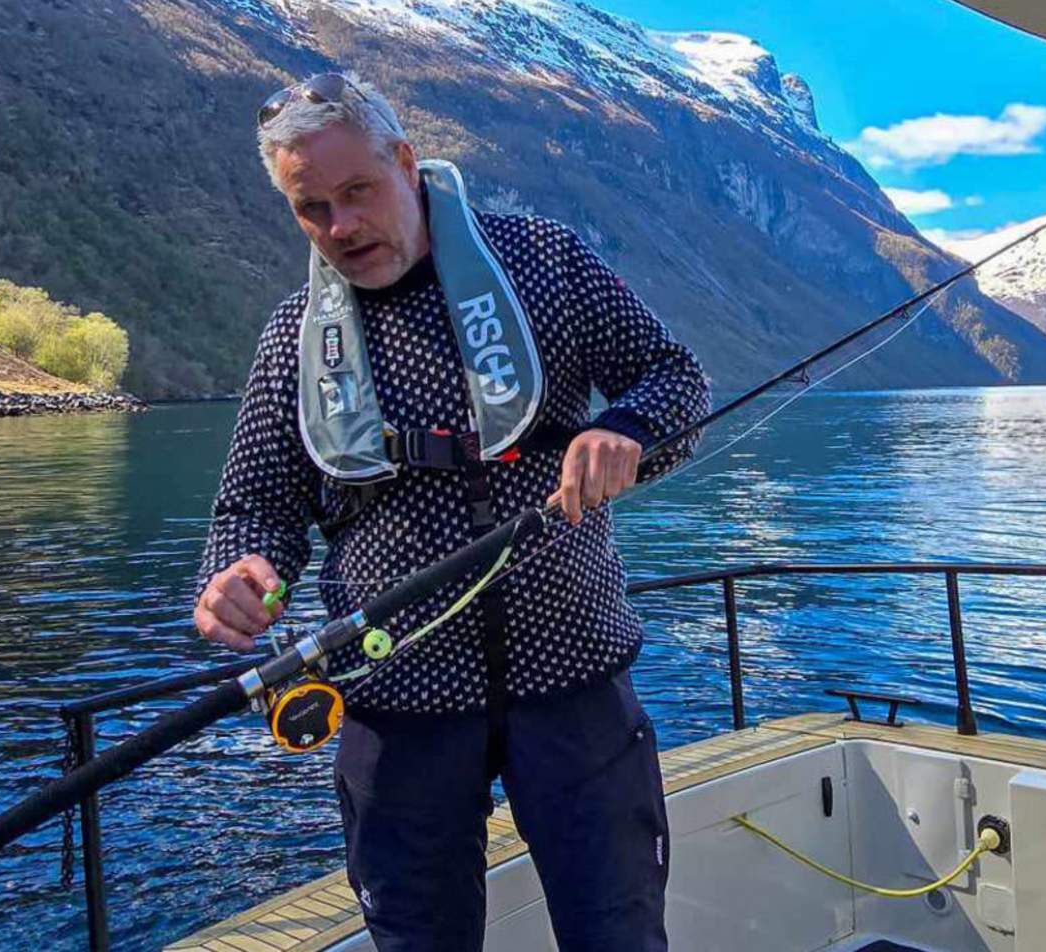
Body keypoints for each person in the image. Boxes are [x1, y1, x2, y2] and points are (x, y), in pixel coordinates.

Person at [192, 71, 708, 951]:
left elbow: (676, 380)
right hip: (397, 703)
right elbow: (253, 509)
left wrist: (625, 429)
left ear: (406, 161)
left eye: (357, 191)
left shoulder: (545, 261)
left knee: (619, 934)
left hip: (573, 679)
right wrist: (236, 575)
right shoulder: (292, 339)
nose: (341, 227)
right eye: (311, 208)